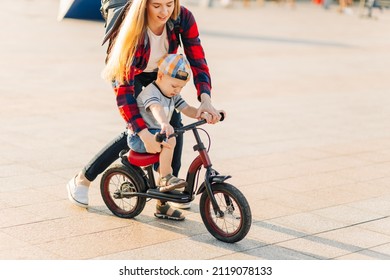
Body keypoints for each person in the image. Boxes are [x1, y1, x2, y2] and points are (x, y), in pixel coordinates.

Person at [66, 0, 222, 219]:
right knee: (139, 131)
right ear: (144, 4)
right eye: (157, 5)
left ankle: (164, 197)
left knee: (173, 127)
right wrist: (141, 131)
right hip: (128, 75)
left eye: (169, 4)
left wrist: (205, 98)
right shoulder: (130, 28)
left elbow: (197, 58)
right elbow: (123, 89)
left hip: (158, 74)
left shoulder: (182, 17)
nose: (165, 12)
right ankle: (82, 179)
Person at [128, 54, 215, 220]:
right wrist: (164, 123)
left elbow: (186, 108)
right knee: (171, 138)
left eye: (181, 88)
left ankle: (162, 204)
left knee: (169, 138)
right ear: (160, 76)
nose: (177, 90)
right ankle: (166, 178)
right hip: (141, 137)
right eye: (175, 86)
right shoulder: (150, 92)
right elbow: (156, 108)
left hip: (158, 134)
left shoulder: (172, 94)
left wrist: (201, 114)